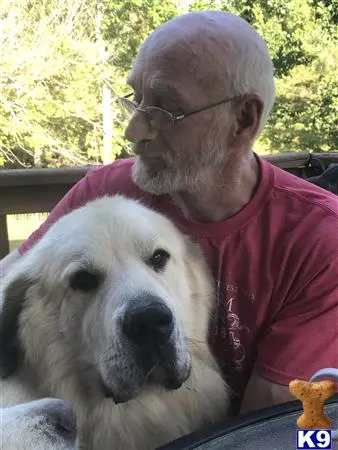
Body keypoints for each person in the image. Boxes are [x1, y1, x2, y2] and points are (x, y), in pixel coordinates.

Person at [1, 10, 338, 416]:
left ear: (242, 121)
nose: (134, 130)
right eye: (136, 98)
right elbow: (13, 280)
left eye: (164, 108)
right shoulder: (107, 192)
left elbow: (266, 427)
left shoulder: (321, 242)